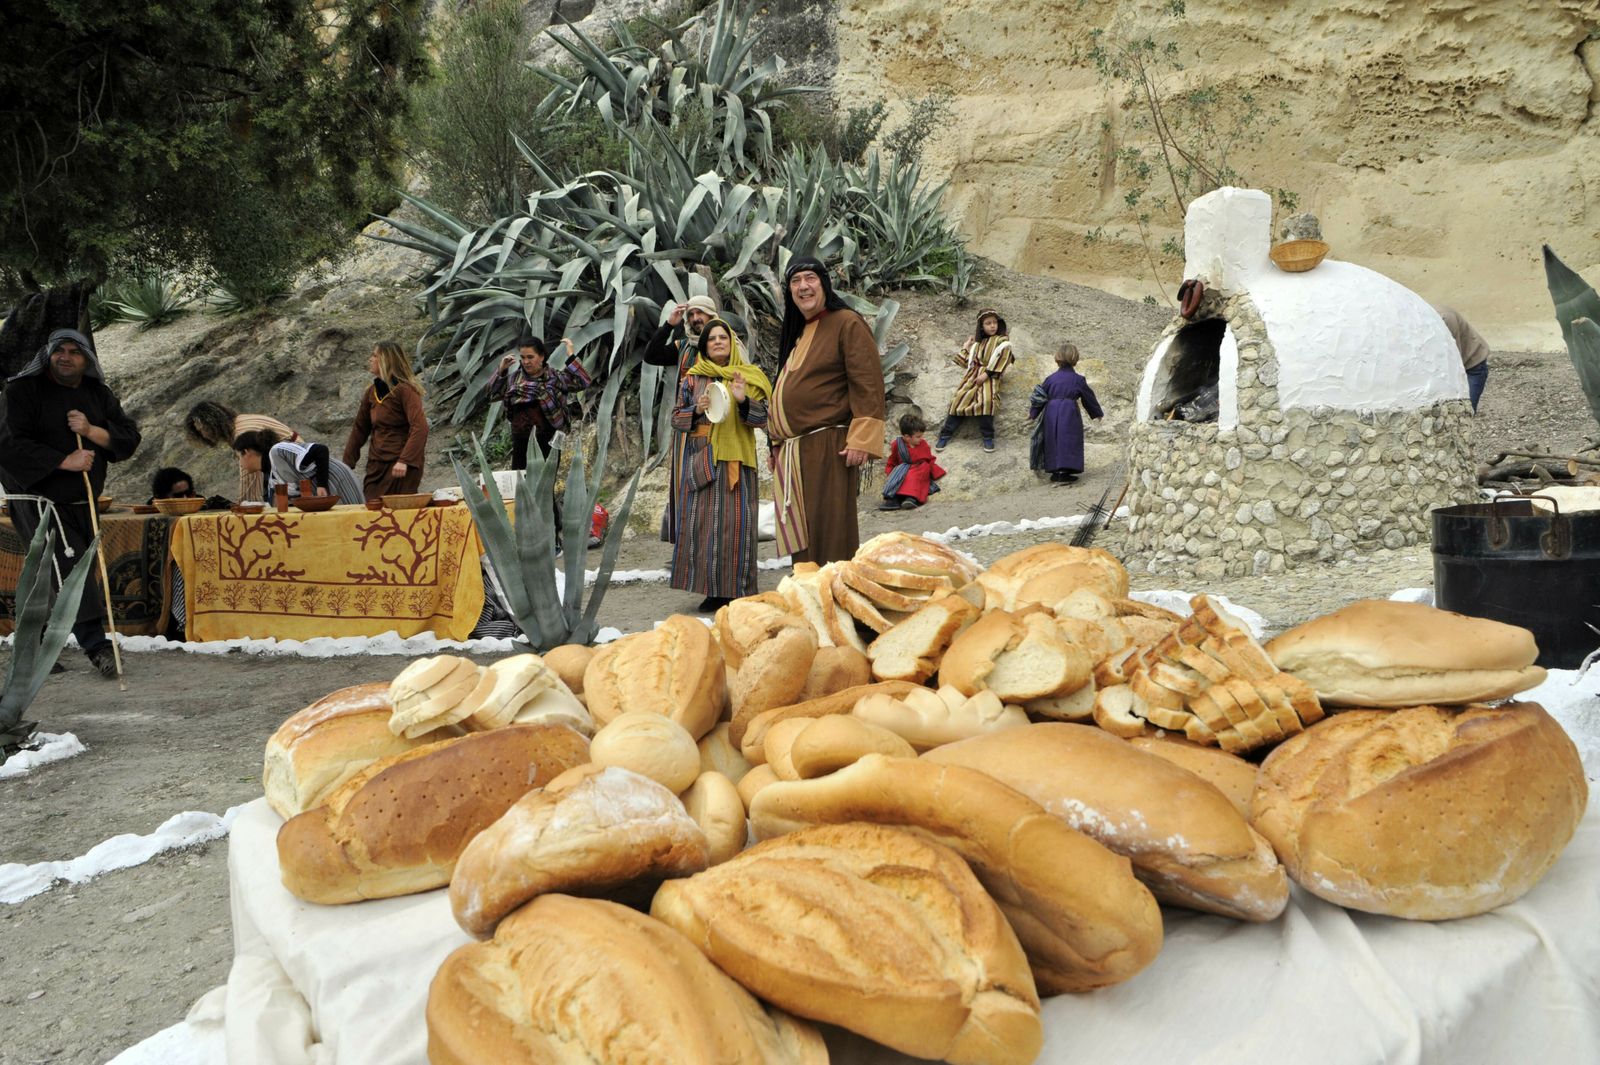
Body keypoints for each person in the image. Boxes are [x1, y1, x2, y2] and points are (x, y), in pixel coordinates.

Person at [0, 329, 141, 678]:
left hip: (84, 499)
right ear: (48, 355)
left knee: (50, 576)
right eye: (59, 350)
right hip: (38, 499)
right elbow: (8, 442)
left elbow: (128, 437)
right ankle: (97, 647)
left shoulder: (97, 393)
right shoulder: (21, 391)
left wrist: (93, 431)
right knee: (72, 567)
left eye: (74, 352)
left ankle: (33, 647)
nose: (65, 357)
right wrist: (64, 461)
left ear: (86, 359)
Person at [768, 257, 886, 564]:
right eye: (796, 281)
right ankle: (810, 597)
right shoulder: (801, 331)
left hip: (829, 446)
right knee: (804, 533)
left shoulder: (846, 322)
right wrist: (776, 443)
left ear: (824, 283)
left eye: (810, 279)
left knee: (830, 530)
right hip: (796, 451)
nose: (803, 287)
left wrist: (862, 437)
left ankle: (836, 599)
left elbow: (867, 381)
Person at [669, 318, 772, 612]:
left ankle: (738, 589)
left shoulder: (750, 377)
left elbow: (765, 420)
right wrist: (695, 409)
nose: (717, 342)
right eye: (712, 338)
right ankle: (711, 591)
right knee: (703, 527)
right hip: (703, 460)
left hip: (738, 461)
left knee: (737, 526)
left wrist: (741, 400)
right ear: (704, 346)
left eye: (722, 338)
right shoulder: (692, 379)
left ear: (732, 343)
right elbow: (677, 421)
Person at [643, 293, 719, 544]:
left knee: (714, 484)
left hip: (717, 430)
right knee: (685, 484)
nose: (696, 319)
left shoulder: (723, 342)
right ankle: (688, 545)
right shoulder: (683, 346)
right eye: (692, 315)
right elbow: (651, 355)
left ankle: (714, 542)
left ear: (712, 315)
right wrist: (669, 324)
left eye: (701, 313)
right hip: (686, 426)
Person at [486, 335, 593, 471]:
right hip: (521, 441)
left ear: (541, 356)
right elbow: (492, 394)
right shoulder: (514, 379)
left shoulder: (555, 378)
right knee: (521, 484)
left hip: (548, 440)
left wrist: (571, 356)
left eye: (530, 357)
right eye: (523, 357)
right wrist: (501, 370)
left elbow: (584, 381)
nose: (526, 362)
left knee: (546, 485)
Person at [343, 341, 429, 501]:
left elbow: (420, 427)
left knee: (398, 516)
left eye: (375, 356)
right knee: (372, 511)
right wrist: (346, 464)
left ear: (386, 360)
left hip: (400, 466)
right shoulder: (371, 392)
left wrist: (405, 460)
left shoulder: (405, 391)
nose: (370, 359)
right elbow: (359, 430)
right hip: (376, 466)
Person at [184, 401, 302, 501]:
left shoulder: (242, 432)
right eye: (199, 432)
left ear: (213, 423)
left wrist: (245, 503)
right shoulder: (240, 421)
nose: (203, 435)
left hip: (292, 464)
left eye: (203, 429)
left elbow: (250, 472)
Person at [937, 309, 1015, 453]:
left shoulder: (1002, 341)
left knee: (986, 402)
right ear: (981, 326)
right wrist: (966, 347)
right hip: (972, 377)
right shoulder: (977, 345)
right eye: (988, 323)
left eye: (994, 322)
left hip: (989, 377)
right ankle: (946, 434)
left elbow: (1004, 357)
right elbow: (966, 363)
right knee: (959, 399)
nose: (992, 326)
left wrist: (986, 375)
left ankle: (988, 437)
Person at [1028, 343, 1103, 484]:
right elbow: (1088, 397)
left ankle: (1055, 472)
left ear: (1058, 358)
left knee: (1053, 440)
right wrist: (1096, 412)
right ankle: (1066, 472)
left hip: (1051, 412)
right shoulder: (1078, 379)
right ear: (1075, 358)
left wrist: (1033, 413)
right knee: (1069, 440)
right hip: (1069, 412)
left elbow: (1040, 396)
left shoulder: (1050, 379)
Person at [233, 428, 363, 503]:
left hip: (337, 481)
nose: (240, 463)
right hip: (328, 495)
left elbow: (320, 450)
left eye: (239, 457)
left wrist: (321, 485)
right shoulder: (272, 474)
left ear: (247, 452)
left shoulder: (278, 451)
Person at [879, 412, 945, 510]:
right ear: (907, 437)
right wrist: (891, 473)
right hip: (904, 468)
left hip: (919, 469)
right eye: (918, 437)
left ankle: (911, 498)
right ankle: (894, 499)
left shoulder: (923, 444)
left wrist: (936, 472)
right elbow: (893, 460)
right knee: (899, 475)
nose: (920, 439)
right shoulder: (897, 444)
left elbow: (929, 458)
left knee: (917, 473)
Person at [1434, 305, 1489, 412]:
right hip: (1454, 362)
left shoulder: (1445, 319)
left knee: (1465, 412)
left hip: (1474, 364)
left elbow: (1454, 361)